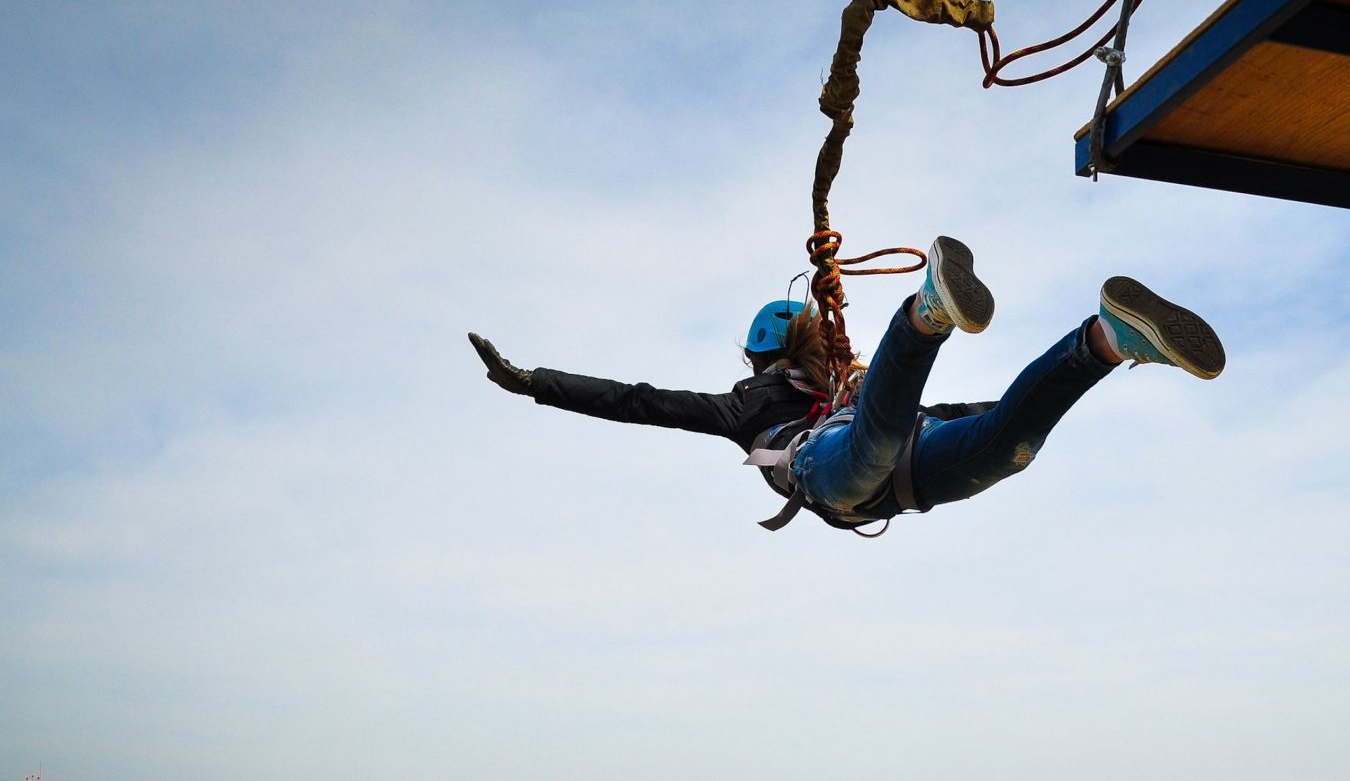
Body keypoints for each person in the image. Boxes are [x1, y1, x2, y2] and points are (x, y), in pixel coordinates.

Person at [468, 237, 1224, 532]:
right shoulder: (751, 406)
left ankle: (1104, 340)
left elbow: (936, 411)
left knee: (1009, 449)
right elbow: (635, 402)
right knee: (886, 430)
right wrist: (532, 380)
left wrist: (1014, 407)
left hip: (884, 461)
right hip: (842, 471)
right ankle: (927, 314)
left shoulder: (851, 391)